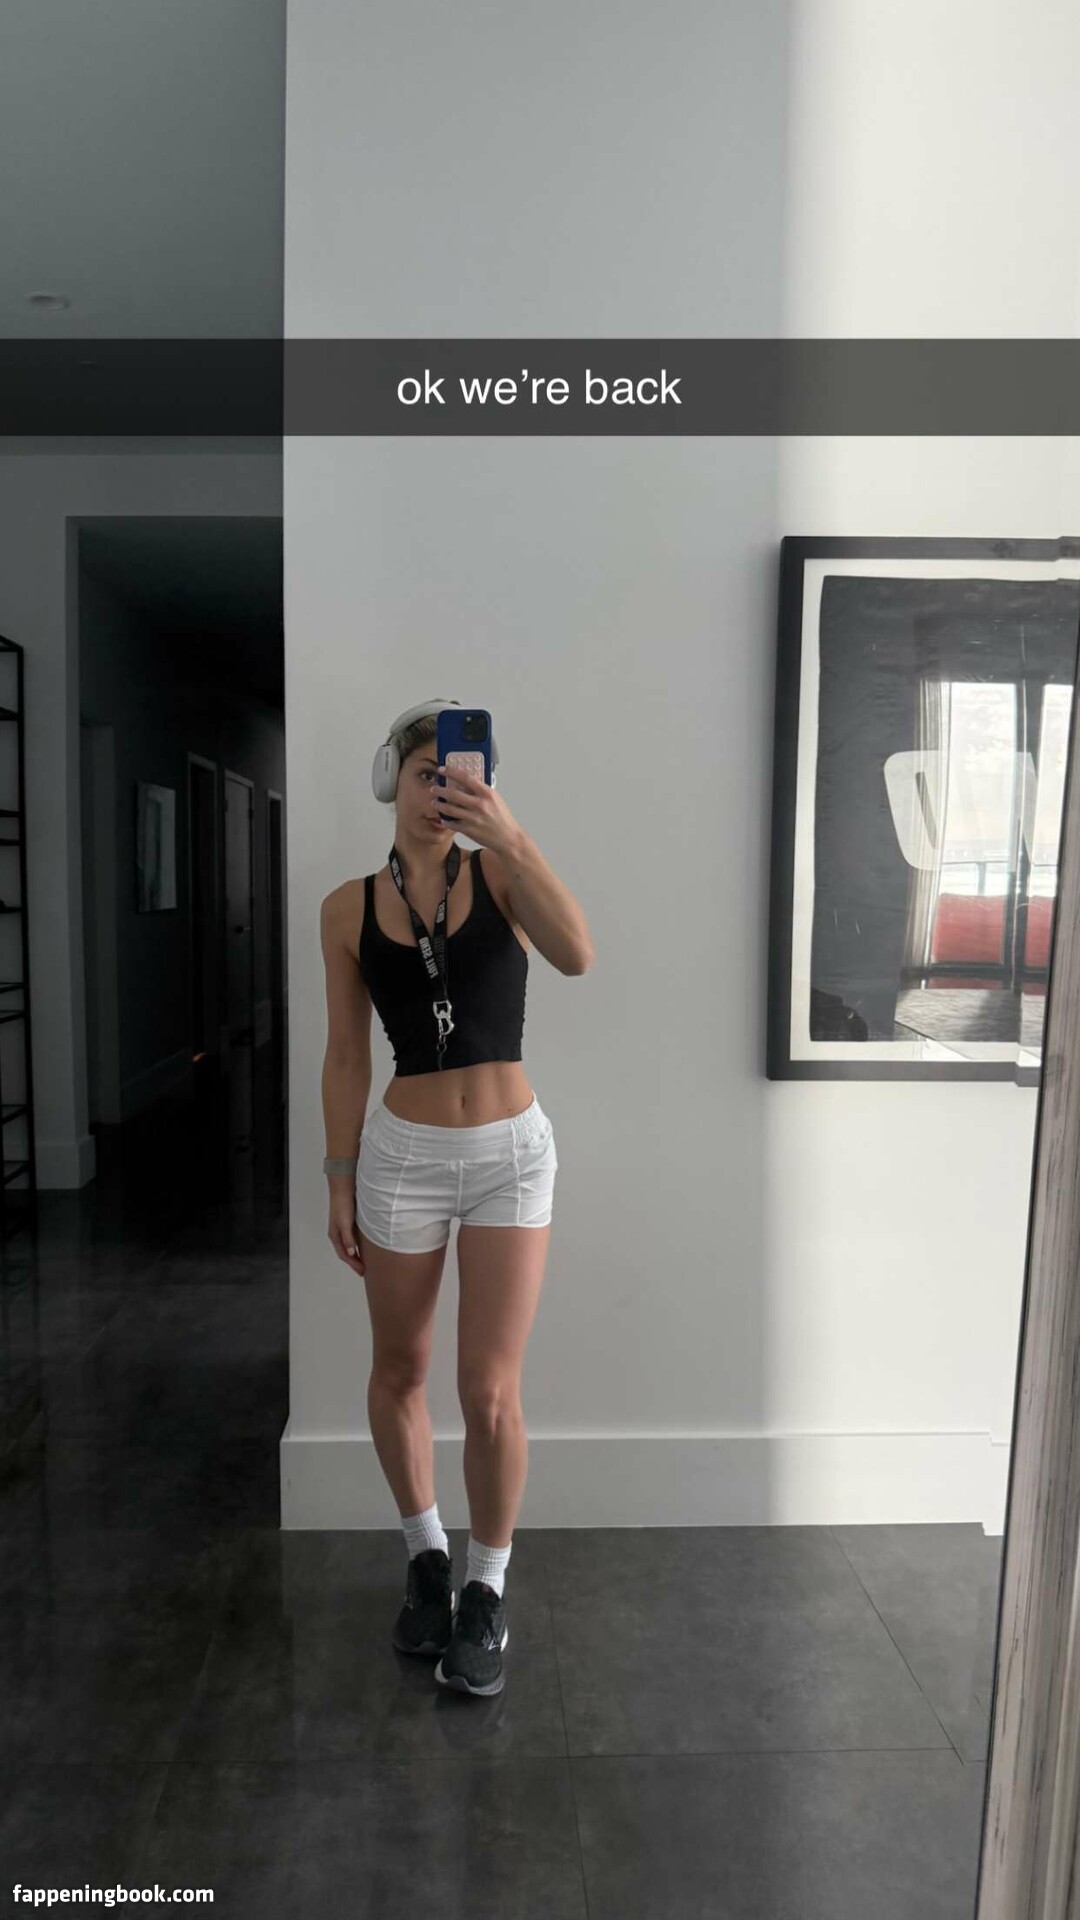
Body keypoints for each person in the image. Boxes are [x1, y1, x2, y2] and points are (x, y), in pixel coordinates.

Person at [319, 706, 594, 1696]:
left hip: (511, 1156)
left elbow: (578, 954)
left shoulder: (501, 874)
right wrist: (339, 1174)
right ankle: (427, 1557)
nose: (440, 791)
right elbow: (346, 1053)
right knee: (401, 1369)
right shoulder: (346, 909)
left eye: (458, 774)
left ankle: (486, 1587)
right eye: (423, 773)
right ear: (389, 778)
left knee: (489, 1392)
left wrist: (509, 833)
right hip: (400, 1158)